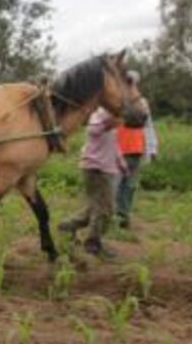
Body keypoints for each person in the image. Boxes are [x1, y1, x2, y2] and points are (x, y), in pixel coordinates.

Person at [58, 106, 127, 258]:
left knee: (96, 207)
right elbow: (92, 130)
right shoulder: (100, 114)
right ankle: (93, 243)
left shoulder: (114, 116)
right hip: (95, 168)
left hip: (107, 168)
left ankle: (67, 225)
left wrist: (121, 162)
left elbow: (114, 143)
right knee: (106, 209)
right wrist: (108, 124)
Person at [114, 71, 158, 228]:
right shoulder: (116, 100)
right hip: (118, 150)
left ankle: (123, 215)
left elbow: (149, 125)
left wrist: (152, 147)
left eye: (132, 82)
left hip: (137, 149)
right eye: (128, 82)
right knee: (115, 184)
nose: (130, 85)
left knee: (130, 185)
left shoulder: (142, 103)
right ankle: (110, 216)